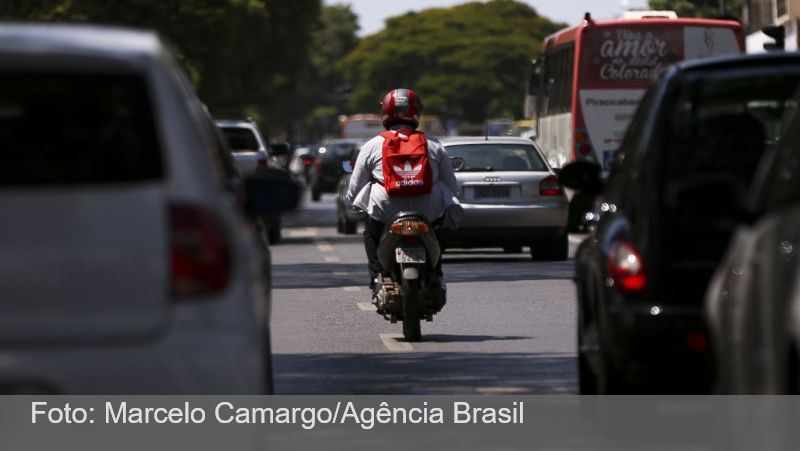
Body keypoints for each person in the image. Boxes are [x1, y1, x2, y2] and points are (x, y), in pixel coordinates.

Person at [346, 88, 462, 292]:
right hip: (427, 211)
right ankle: (436, 274)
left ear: (386, 113)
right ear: (416, 114)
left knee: (370, 234)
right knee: (440, 229)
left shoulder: (372, 145)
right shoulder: (433, 145)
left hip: (385, 211)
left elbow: (355, 187)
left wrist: (353, 202)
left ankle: (376, 277)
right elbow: (452, 186)